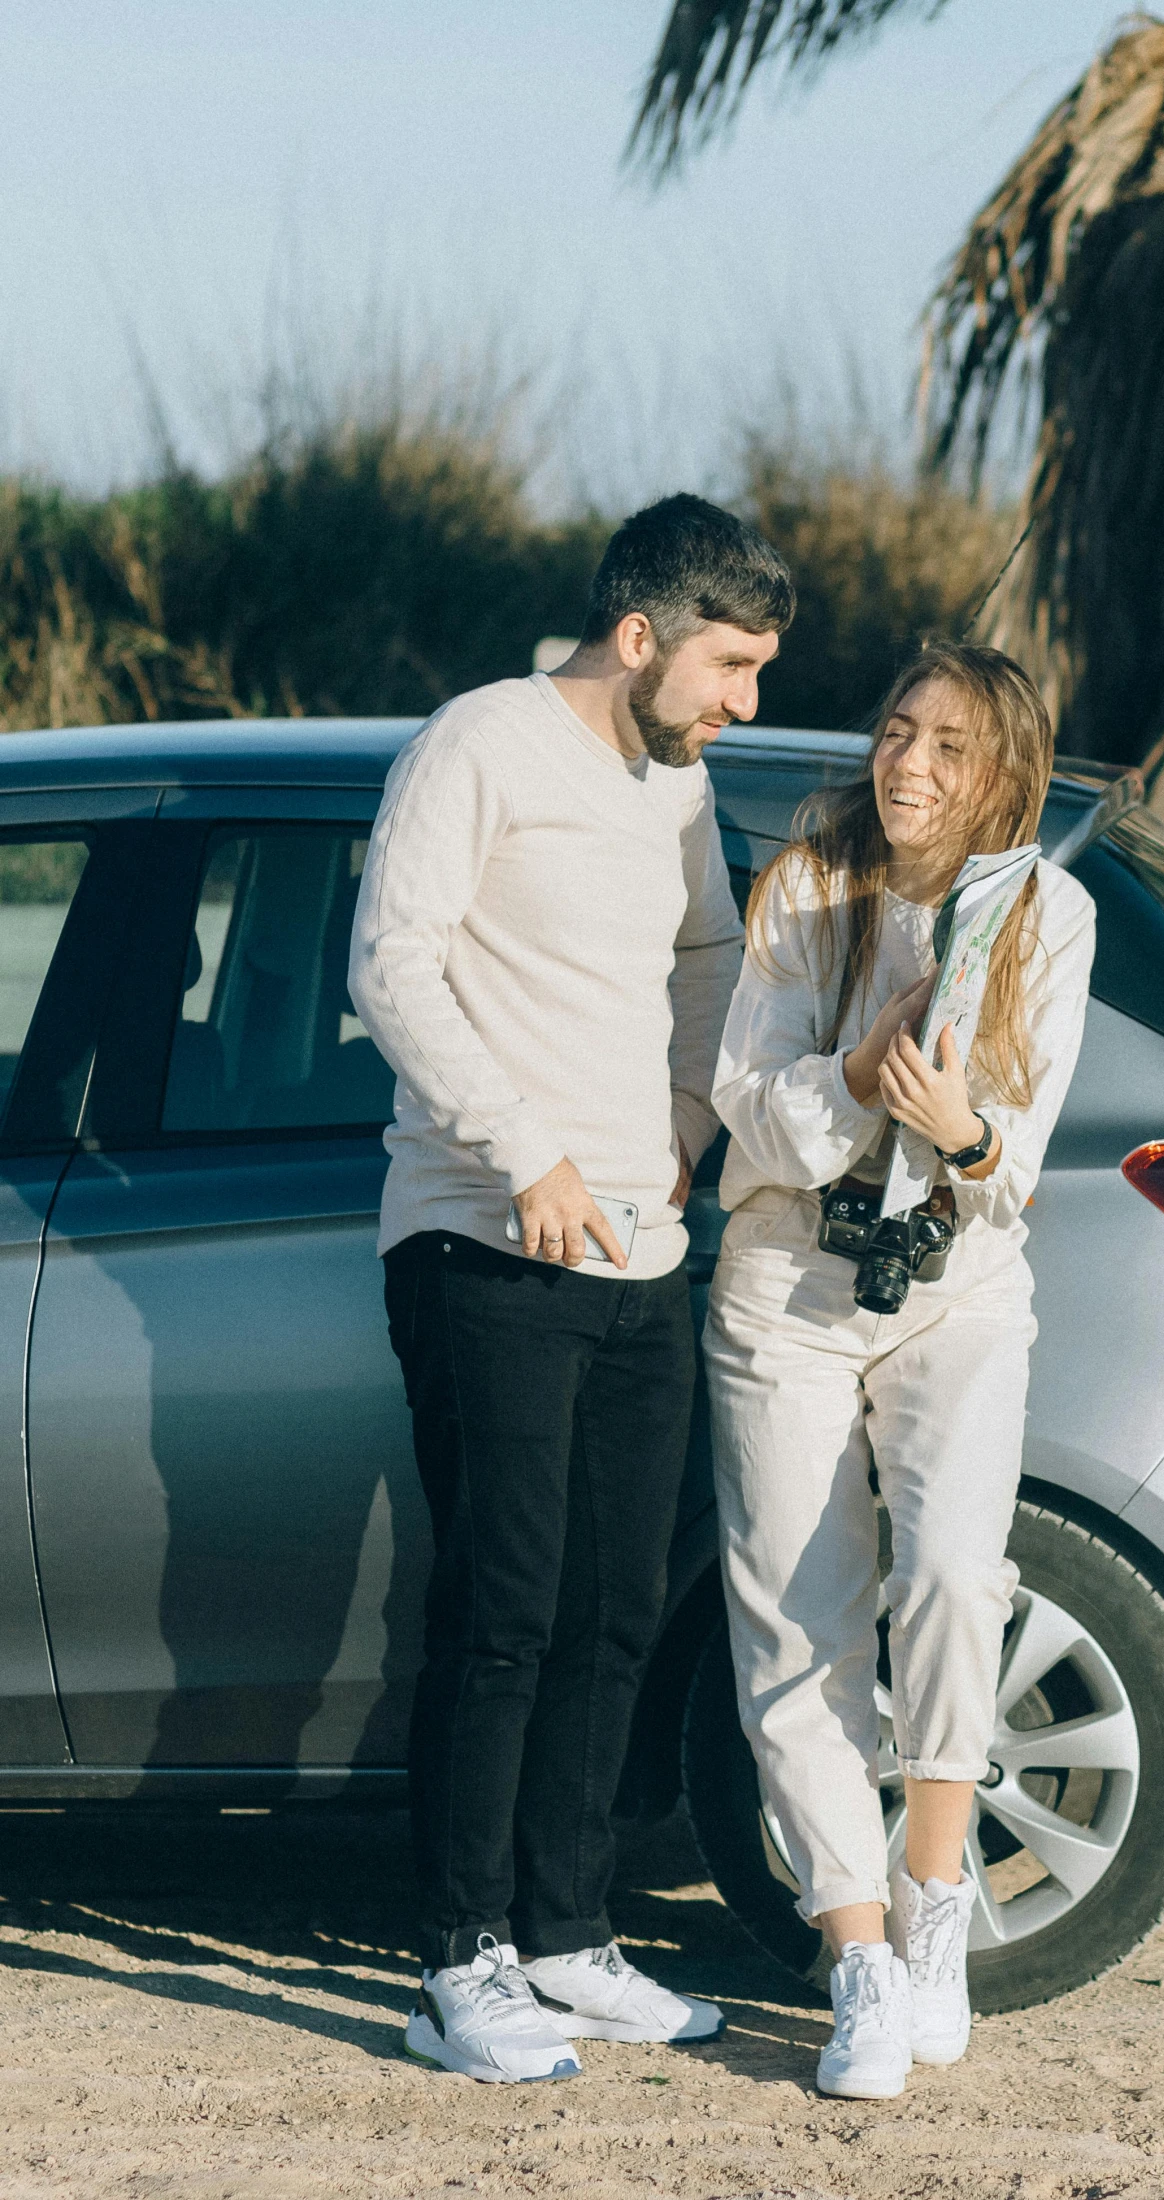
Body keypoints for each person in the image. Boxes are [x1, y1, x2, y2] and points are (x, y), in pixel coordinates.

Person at [349, 493, 794, 2084]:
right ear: (638, 636)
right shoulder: (476, 744)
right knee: (504, 1611)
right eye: (730, 665)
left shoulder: (679, 785)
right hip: (484, 1234)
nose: (742, 700)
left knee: (614, 1609)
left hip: (639, 1250)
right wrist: (525, 1151)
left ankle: (565, 1933)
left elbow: (704, 960)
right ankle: (460, 1962)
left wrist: (681, 1128)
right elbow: (391, 960)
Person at [703, 641, 1095, 2100]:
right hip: (787, 1277)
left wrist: (968, 1133)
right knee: (792, 1621)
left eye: (949, 746)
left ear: (1005, 772)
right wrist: (857, 1077)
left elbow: (1019, 1155)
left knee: (948, 1574)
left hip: (958, 1285)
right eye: (897, 731)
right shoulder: (809, 886)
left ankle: (935, 1896)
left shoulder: (1050, 911)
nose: (909, 765)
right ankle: (857, 1957)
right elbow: (747, 1111)